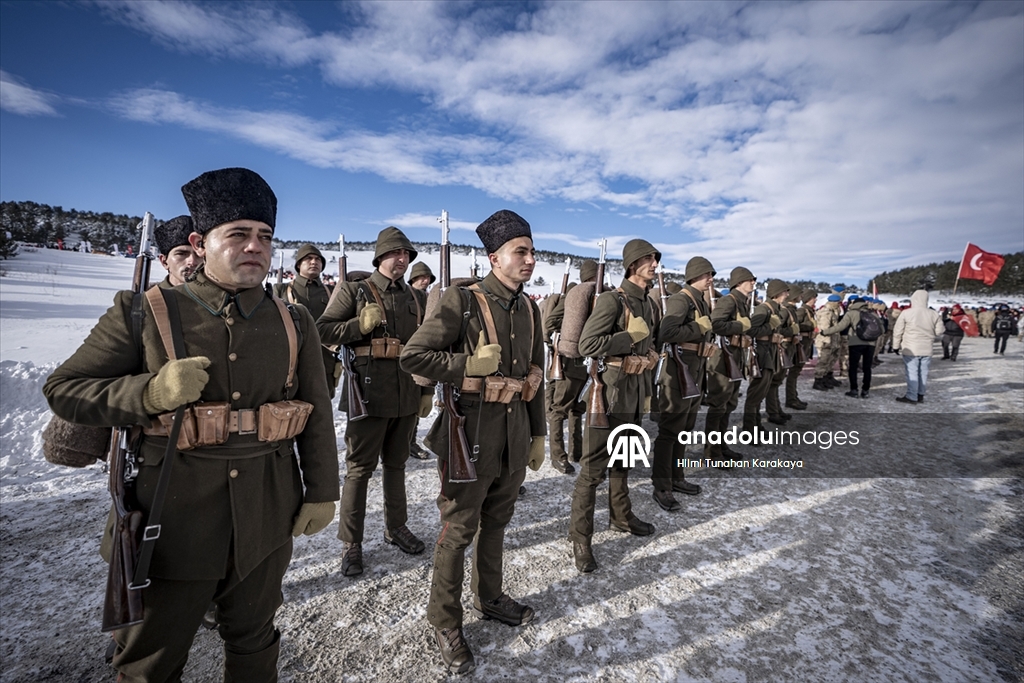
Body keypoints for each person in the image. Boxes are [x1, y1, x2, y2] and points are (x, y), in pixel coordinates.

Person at [43, 167, 340, 680]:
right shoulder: (144, 312)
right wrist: (150, 393)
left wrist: (322, 490)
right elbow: (64, 389)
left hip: (267, 516)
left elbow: (315, 414)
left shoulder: (294, 321)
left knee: (255, 645)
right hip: (172, 523)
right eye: (239, 235)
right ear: (200, 244)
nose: (255, 247)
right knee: (151, 661)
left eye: (265, 236)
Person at [400, 210, 546, 674]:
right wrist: (468, 366)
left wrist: (539, 433)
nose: (529, 260)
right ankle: (444, 619)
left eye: (531, 251)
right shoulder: (461, 301)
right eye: (520, 252)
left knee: (497, 522)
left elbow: (535, 379)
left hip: (514, 435)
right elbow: (413, 356)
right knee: (458, 530)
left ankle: (491, 597)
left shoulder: (529, 308)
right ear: (494, 257)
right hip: (470, 434)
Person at [317, 227, 432, 577]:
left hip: (405, 393)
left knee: (397, 465)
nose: (402, 260)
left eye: (406, 255)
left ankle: (395, 527)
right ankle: (351, 543)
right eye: (396, 253)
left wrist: (425, 390)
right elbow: (322, 330)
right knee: (359, 470)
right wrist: (357, 326)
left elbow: (425, 347)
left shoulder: (416, 297)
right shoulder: (356, 290)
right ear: (380, 257)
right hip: (367, 393)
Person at [570, 239, 660, 573]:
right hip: (608, 396)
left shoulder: (648, 303)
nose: (654, 264)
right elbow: (587, 344)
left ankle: (621, 516)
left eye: (655, 259)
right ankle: (581, 539)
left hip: (634, 394)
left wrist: (648, 367)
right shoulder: (612, 300)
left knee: (624, 461)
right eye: (648, 259)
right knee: (592, 472)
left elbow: (648, 348)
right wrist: (628, 338)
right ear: (633, 264)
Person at [650, 256, 715, 512]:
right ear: (694, 276)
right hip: (677, 373)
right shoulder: (681, 300)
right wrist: (697, 330)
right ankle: (662, 486)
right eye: (706, 274)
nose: (711, 278)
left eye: (711, 274)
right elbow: (666, 333)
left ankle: (677, 478)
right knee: (670, 431)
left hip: (693, 372)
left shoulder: (700, 301)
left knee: (684, 429)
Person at [544, 259, 598, 474]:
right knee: (560, 410)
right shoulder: (573, 297)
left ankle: (577, 452)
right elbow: (549, 325)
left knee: (579, 409)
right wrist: (563, 343)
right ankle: (558, 456)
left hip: (588, 364)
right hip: (569, 362)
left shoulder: (599, 298)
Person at [275, 243, 339, 396]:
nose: (314, 262)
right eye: (308, 258)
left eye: (318, 259)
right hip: (290, 360)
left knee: (321, 408)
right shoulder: (281, 290)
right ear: (298, 264)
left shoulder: (332, 292)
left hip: (324, 360)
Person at [705, 267, 755, 459]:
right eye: (749, 280)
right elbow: (715, 324)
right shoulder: (729, 300)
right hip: (723, 360)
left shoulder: (742, 302)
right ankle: (712, 452)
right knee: (718, 406)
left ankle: (721, 446)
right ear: (739, 282)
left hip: (735, 359)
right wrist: (740, 325)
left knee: (728, 405)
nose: (752, 283)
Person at [743, 279, 789, 429]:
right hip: (762, 355)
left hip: (770, 354)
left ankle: (756, 425)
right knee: (755, 394)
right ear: (776, 294)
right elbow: (751, 331)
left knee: (761, 393)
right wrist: (770, 330)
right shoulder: (763, 309)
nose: (787, 295)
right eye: (784, 291)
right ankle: (750, 428)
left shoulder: (774, 309)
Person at [892, 289, 944, 404]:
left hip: (911, 348)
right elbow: (940, 331)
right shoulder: (933, 313)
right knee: (923, 372)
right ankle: (920, 394)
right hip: (927, 348)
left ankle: (911, 396)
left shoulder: (906, 313)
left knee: (912, 372)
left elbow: (897, 331)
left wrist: (895, 346)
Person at [407, 261, 436, 460]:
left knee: (417, 402)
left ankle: (410, 441)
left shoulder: (429, 298)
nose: (425, 281)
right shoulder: (404, 295)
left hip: (422, 355)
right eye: (422, 277)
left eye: (428, 278)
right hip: (404, 355)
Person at [820, 295, 876, 398]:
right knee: (867, 368)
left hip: (855, 343)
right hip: (870, 344)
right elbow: (880, 328)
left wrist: (825, 332)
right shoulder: (872, 313)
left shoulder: (851, 313)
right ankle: (865, 391)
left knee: (853, 367)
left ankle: (854, 390)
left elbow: (840, 326)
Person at [787, 288, 817, 408]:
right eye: (814, 297)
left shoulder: (808, 311)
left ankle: (793, 396)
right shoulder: (802, 311)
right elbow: (795, 325)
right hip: (801, 345)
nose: (816, 300)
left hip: (805, 344)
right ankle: (791, 398)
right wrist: (809, 326)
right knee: (793, 373)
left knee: (796, 372)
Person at [153, 215, 203, 287]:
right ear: (164, 262)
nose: (192, 262)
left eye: (198, 254)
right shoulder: (148, 297)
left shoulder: (218, 297)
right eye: (181, 254)